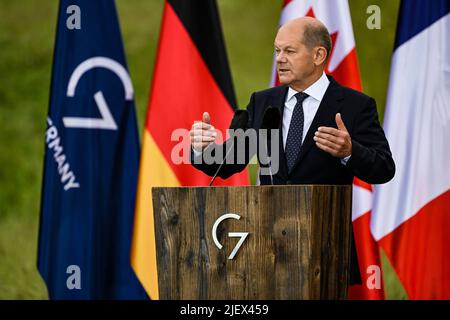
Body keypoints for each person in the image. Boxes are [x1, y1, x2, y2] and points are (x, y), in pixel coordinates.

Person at [189, 17, 395, 284]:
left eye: (289, 51)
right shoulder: (263, 102)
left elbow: (384, 168)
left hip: (325, 251)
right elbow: (230, 162)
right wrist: (202, 149)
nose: (280, 59)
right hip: (265, 246)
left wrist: (349, 151)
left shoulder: (355, 106)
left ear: (318, 55)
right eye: (277, 50)